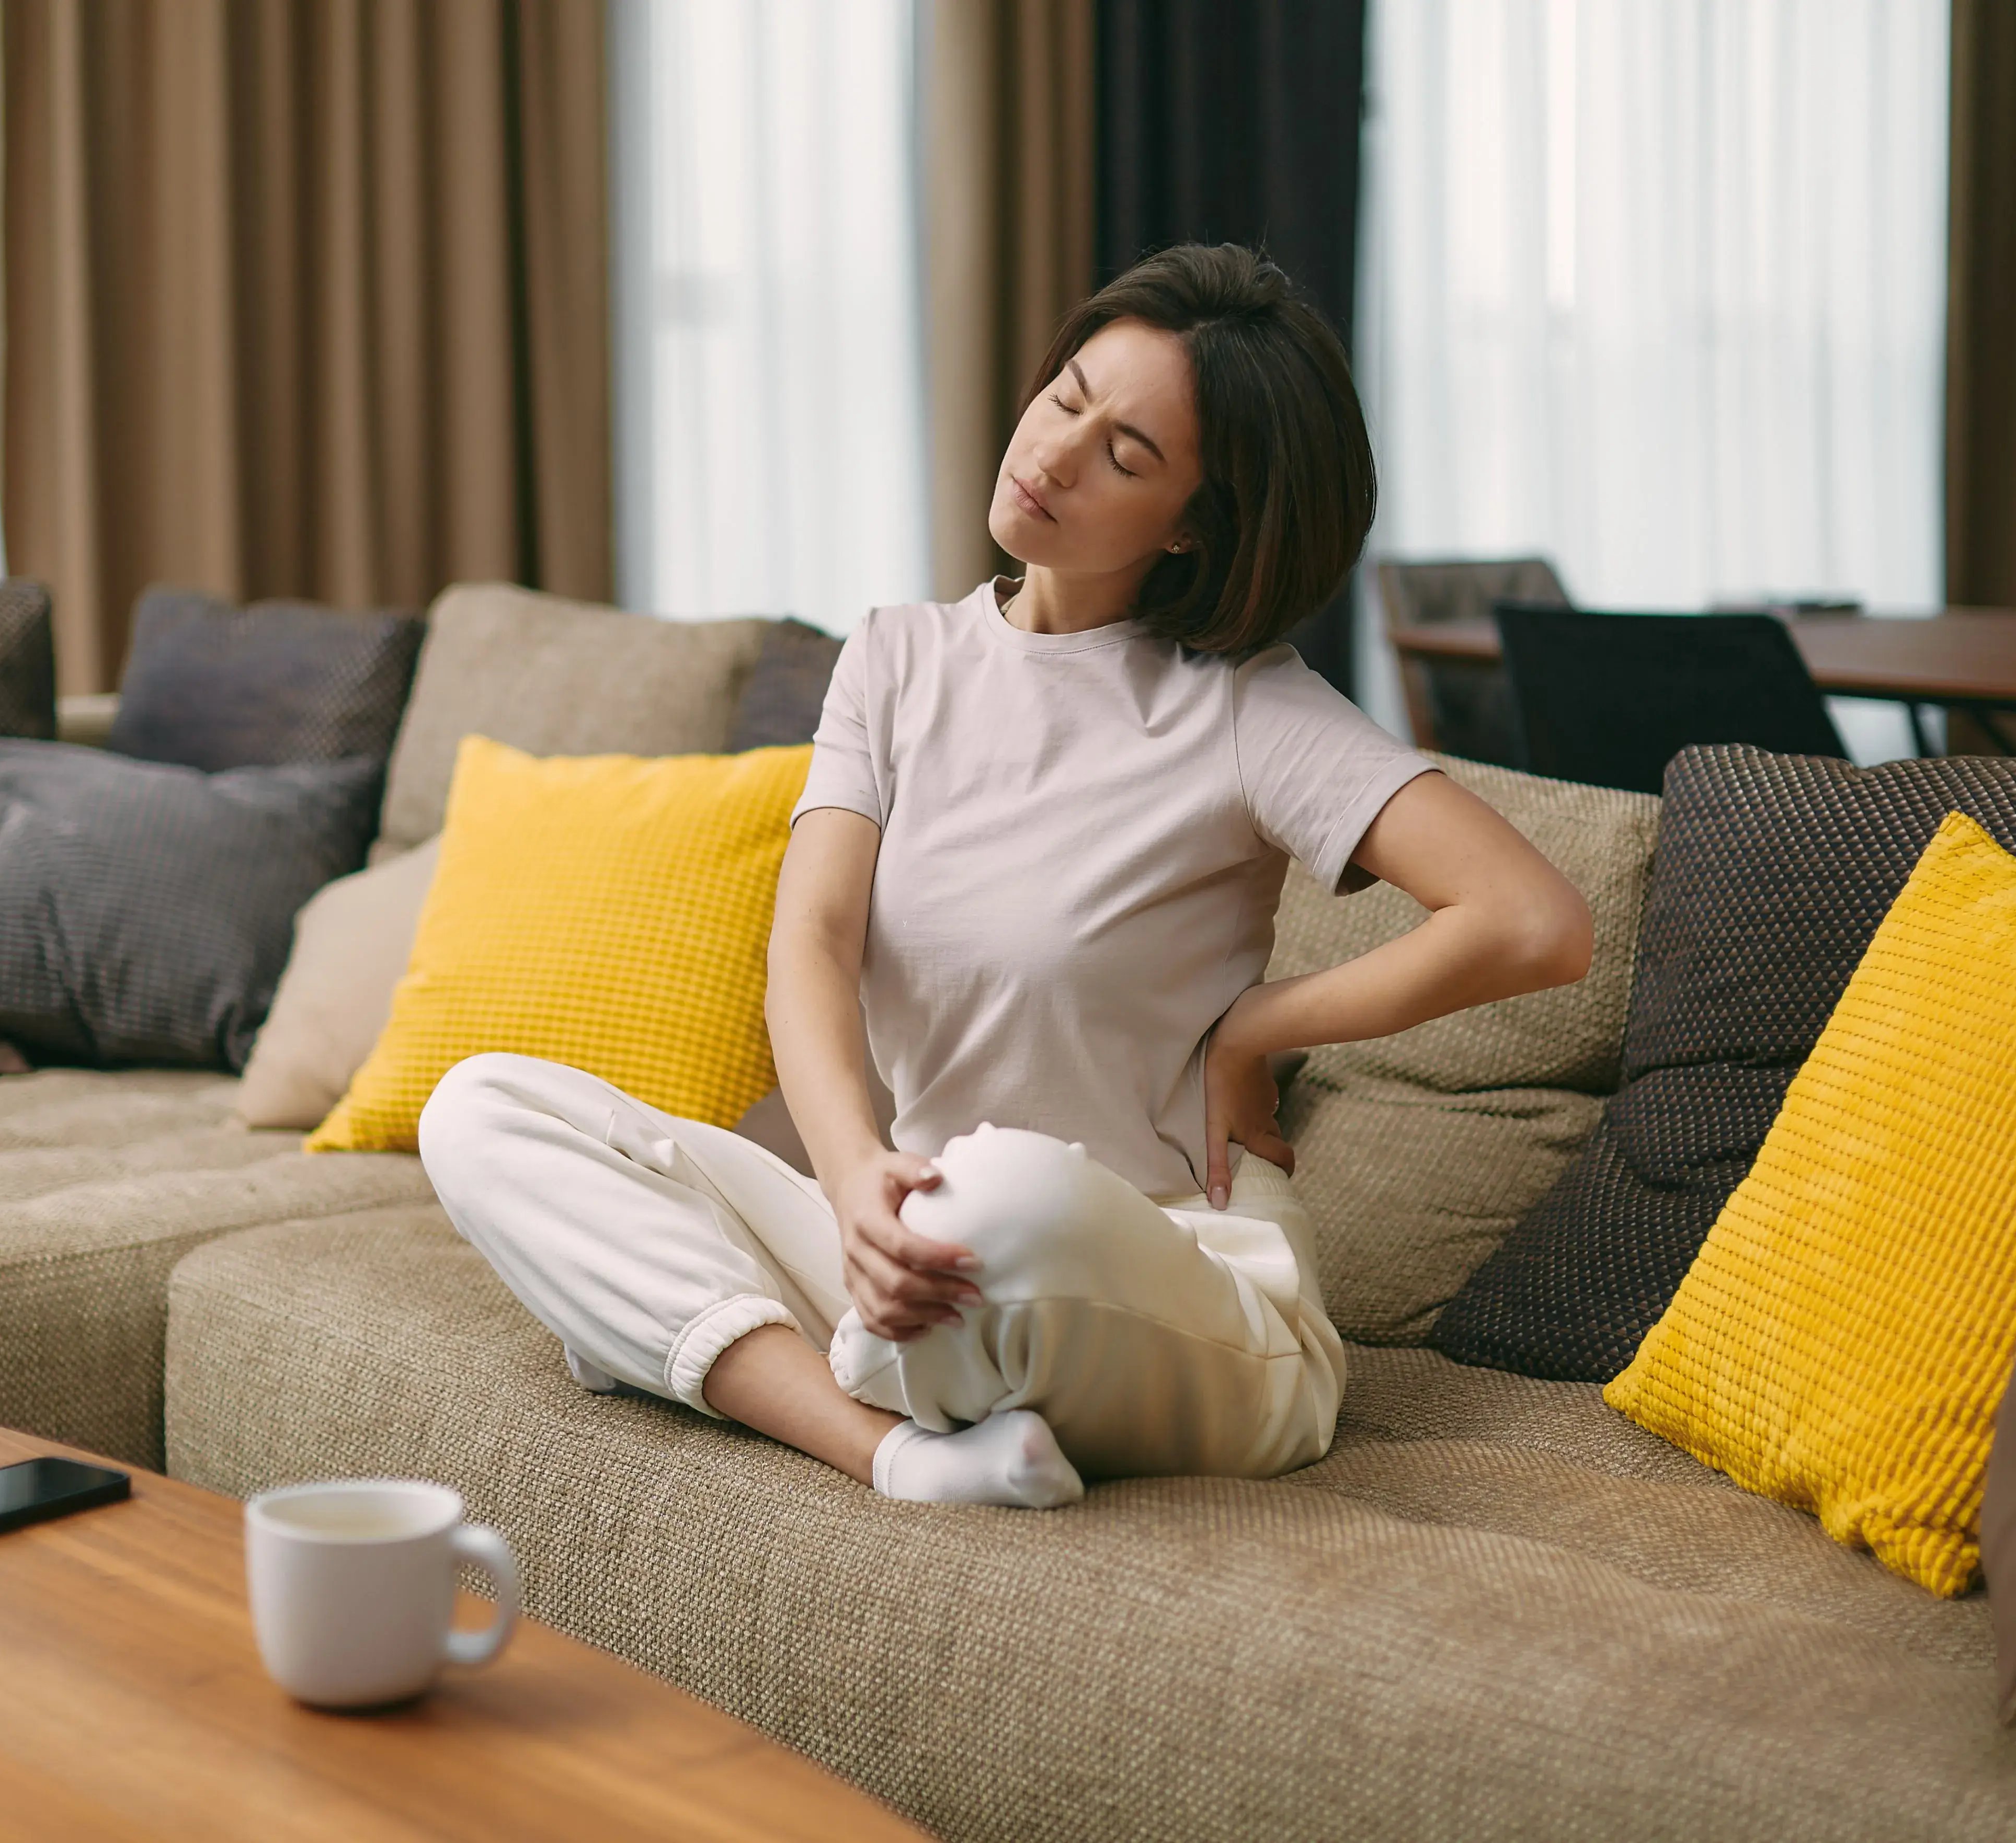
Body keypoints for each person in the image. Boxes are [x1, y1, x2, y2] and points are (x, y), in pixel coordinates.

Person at [423, 244, 1592, 1509]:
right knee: (483, 1108)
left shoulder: (1246, 709)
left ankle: (685, 1325)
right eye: (1067, 396)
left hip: (1166, 1280)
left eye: (1125, 454)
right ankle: (893, 1444)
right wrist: (856, 1175)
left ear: (1193, 522)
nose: (1054, 450)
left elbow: (1533, 920)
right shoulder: (895, 658)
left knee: (1002, 1188)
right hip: (917, 1239)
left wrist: (1259, 1025)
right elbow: (808, 943)